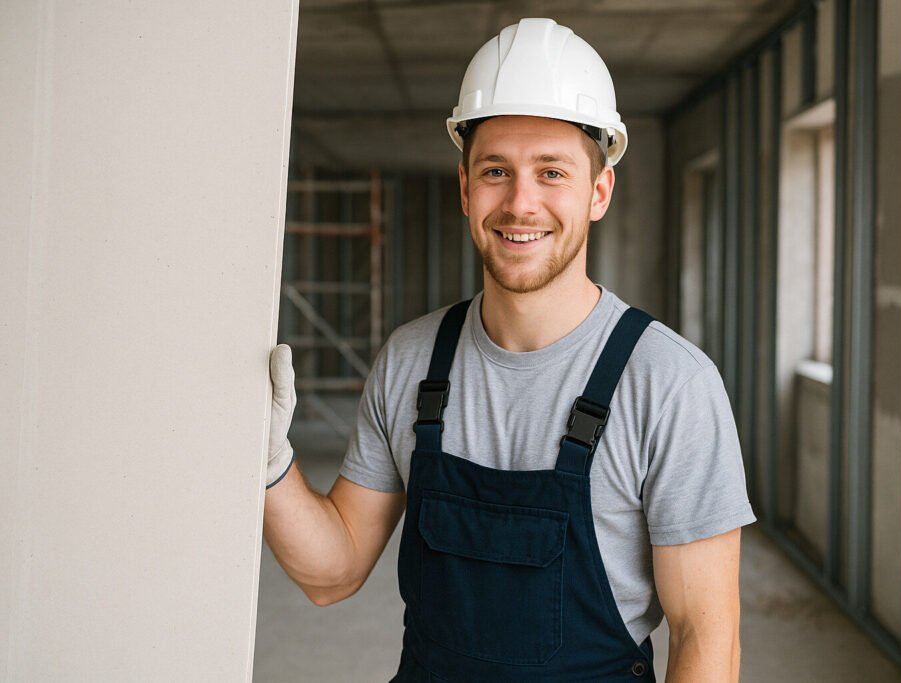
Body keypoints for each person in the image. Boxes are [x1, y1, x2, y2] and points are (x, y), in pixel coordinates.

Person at [262, 17, 755, 683]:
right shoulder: (411, 361)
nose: (521, 203)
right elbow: (333, 571)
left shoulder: (669, 384)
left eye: (552, 172)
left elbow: (707, 639)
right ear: (466, 190)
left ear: (598, 192)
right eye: (496, 171)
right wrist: (268, 460)